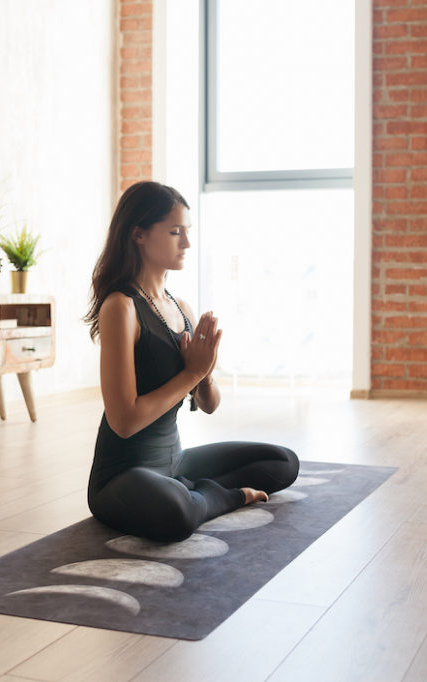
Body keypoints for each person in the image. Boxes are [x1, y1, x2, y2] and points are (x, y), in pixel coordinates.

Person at [83, 181, 299, 542]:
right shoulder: (120, 307)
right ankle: (218, 497)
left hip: (175, 464)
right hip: (123, 477)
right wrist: (193, 371)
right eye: (174, 232)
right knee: (176, 515)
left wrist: (205, 375)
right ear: (138, 234)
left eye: (187, 232)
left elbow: (210, 405)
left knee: (283, 463)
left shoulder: (181, 308)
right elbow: (123, 421)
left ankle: (194, 493)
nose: (186, 243)